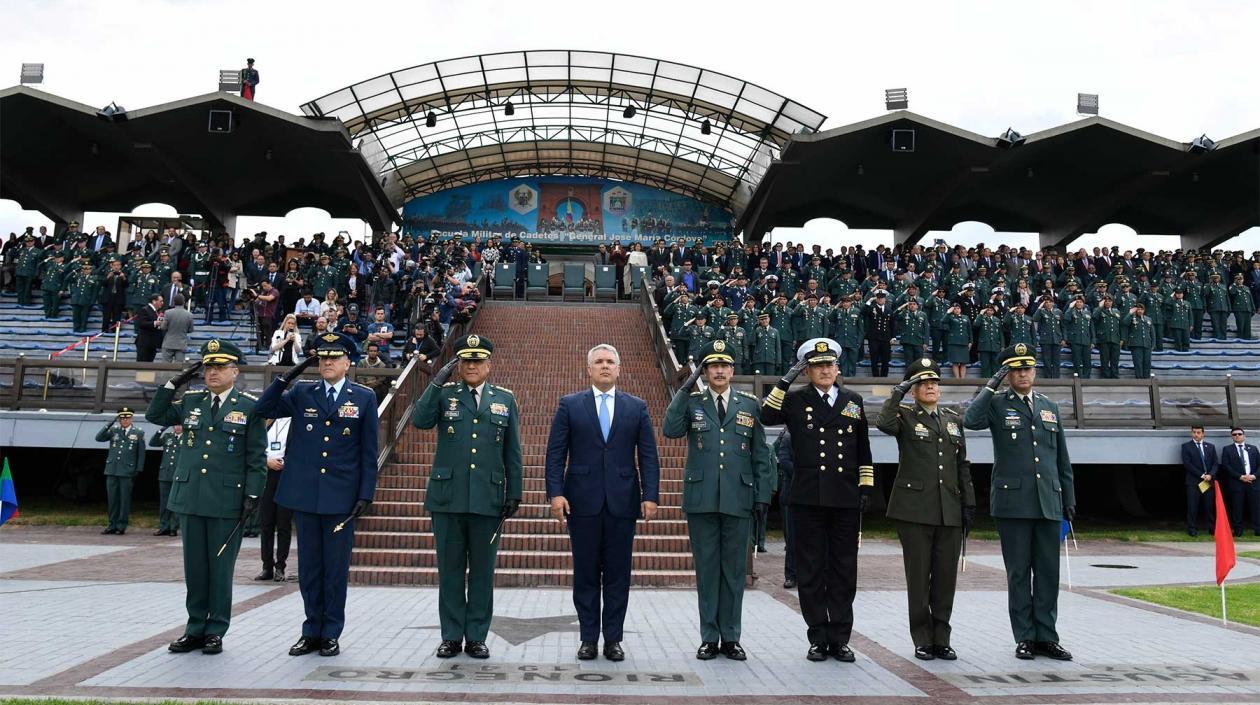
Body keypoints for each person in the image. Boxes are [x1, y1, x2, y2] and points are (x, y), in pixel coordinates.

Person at [255, 332, 380, 657]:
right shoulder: (302, 392)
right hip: (305, 495)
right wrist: (287, 376)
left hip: (341, 498)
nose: (327, 362)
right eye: (323, 358)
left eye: (334, 357)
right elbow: (262, 408)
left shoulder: (363, 397)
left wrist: (365, 494)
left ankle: (330, 633)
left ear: (347, 362)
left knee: (334, 570)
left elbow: (369, 452)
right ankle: (311, 630)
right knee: (309, 570)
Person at [145, 339, 267, 655]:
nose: (213, 372)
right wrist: (173, 383)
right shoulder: (191, 401)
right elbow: (155, 415)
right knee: (195, 569)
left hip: (227, 500)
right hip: (191, 496)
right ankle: (195, 627)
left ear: (235, 371)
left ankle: (216, 630)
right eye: (208, 367)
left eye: (220, 366)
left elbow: (256, 457)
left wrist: (253, 494)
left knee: (220, 570)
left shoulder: (248, 406)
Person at [760, 338, 873, 663]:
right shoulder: (796, 400)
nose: (825, 370)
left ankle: (840, 638)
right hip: (808, 497)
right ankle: (818, 637)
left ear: (837, 368)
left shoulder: (852, 401)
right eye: (817, 366)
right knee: (810, 570)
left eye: (829, 365)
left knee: (843, 569)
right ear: (807, 371)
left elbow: (863, 447)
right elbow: (766, 415)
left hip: (844, 496)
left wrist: (865, 487)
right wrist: (785, 380)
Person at [545, 343, 660, 662]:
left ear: (619, 369)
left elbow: (648, 455)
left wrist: (650, 495)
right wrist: (555, 493)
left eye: (610, 361)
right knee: (585, 574)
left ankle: (613, 640)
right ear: (589, 369)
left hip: (623, 502)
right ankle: (587, 639)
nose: (605, 366)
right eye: (599, 362)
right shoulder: (570, 405)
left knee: (618, 575)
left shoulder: (636, 407)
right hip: (581, 502)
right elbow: (555, 453)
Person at [411, 334, 523, 659]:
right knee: (450, 571)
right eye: (466, 361)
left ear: (489, 364)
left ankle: (476, 636)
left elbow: (513, 451)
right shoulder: (445, 395)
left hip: (488, 499)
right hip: (448, 498)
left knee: (483, 573)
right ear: (458, 365)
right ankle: (451, 636)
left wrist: (514, 492)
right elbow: (420, 420)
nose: (472, 366)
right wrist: (436, 382)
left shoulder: (504, 399)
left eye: (478, 361)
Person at [962, 343, 1075, 661]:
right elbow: (970, 420)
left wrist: (1069, 498)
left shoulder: (1049, 405)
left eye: (1027, 368)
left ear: (1034, 371)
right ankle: (1025, 636)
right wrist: (990, 385)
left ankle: (1047, 637)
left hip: (1048, 501)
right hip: (1014, 503)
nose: (1023, 374)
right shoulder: (998, 404)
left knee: (1049, 573)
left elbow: (1061, 457)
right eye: (1015, 370)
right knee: (1019, 573)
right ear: (1008, 374)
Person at [663, 340, 772, 661]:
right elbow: (670, 429)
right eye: (713, 366)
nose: (720, 371)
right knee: (707, 571)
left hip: (739, 498)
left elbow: (760, 454)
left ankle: (731, 637)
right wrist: (684, 388)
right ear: (705, 371)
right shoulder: (692, 402)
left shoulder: (748, 404)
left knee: (734, 573)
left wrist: (762, 495)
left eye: (725, 365)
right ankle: (709, 637)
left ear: (732, 370)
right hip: (702, 500)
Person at [876, 358, 974, 661]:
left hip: (949, 508)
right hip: (914, 510)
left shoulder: (952, 419)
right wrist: (897, 393)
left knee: (945, 579)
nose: (930, 387)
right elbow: (883, 424)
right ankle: (922, 637)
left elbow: (961, 464)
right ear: (913, 390)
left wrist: (969, 503)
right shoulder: (904, 415)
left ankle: (942, 638)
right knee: (918, 578)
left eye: (934, 383)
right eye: (922, 383)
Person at [94, 407, 146, 535]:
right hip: (112, 470)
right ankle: (112, 524)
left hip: (127, 471)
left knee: (124, 500)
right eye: (122, 418)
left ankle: (121, 525)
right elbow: (99, 438)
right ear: (119, 419)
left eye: (127, 418)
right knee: (112, 500)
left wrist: (138, 469)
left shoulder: (138, 432)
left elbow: (141, 454)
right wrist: (108, 424)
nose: (124, 420)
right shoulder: (114, 430)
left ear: (131, 418)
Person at [255, 416, 294, 582]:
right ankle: (267, 566)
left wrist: (286, 461)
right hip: (267, 476)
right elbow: (256, 448)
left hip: (287, 477)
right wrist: (267, 461)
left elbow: (302, 449)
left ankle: (280, 566)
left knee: (283, 524)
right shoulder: (268, 422)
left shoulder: (296, 422)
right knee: (266, 523)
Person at [1220, 427, 1260, 537]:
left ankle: (1257, 529)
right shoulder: (1227, 449)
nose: (1237, 436)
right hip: (1237, 483)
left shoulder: (1253, 448)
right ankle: (1238, 530)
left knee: (1256, 507)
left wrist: (1254, 476)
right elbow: (1226, 466)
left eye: (1239, 434)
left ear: (1244, 436)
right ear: (1232, 437)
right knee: (1237, 507)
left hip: (1253, 482)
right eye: (1234, 434)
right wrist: (1240, 477)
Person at [1180, 425, 1217, 536]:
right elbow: (1187, 464)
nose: (1196, 434)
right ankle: (1192, 529)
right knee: (1192, 506)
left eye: (1198, 432)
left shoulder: (1210, 447)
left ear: (1203, 434)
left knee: (1209, 506)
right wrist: (1201, 475)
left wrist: (1210, 475)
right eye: (1194, 432)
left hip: (1208, 481)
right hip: (1193, 482)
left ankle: (1211, 528)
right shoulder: (1186, 446)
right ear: (1191, 433)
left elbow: (1215, 463)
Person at [148, 424, 183, 536]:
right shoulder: (167, 436)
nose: (178, 427)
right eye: (175, 425)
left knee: (176, 502)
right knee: (164, 502)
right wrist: (161, 430)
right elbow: (153, 443)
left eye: (180, 425)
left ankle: (174, 527)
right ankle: (164, 526)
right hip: (165, 474)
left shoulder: (187, 438)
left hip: (179, 475)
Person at [775, 431, 798, 589]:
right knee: (792, 539)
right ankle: (791, 575)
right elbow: (784, 461)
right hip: (792, 495)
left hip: (810, 496)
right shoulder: (788, 437)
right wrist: (804, 474)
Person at [863, 291, 894, 376]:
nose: (880, 300)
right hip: (874, 338)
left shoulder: (889, 310)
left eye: (882, 298)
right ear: (876, 299)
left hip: (885, 338)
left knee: (885, 359)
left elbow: (892, 325)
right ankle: (875, 377)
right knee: (874, 359)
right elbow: (863, 312)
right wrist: (869, 301)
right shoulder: (871, 308)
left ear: (885, 299)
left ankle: (884, 377)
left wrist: (893, 336)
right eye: (879, 298)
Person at [158, 295, 195, 363]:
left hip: (168, 343)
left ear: (174, 302)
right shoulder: (189, 315)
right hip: (181, 344)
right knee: (179, 366)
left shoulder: (168, 312)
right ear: (184, 302)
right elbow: (191, 330)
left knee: (165, 366)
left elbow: (163, 327)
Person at [134, 293, 165, 362]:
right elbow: (141, 323)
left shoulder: (156, 311)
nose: (162, 303)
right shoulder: (145, 309)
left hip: (152, 344)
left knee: (149, 364)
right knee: (142, 363)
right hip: (144, 343)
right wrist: (154, 323)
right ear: (154, 301)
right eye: (160, 301)